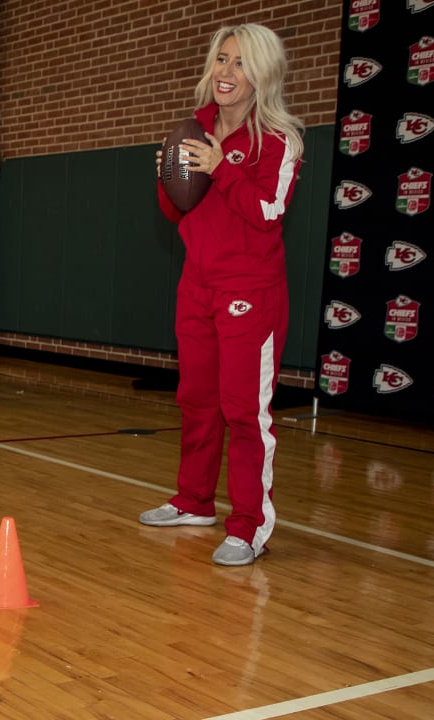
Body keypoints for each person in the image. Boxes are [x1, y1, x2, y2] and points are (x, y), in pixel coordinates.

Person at [138, 23, 303, 567]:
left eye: (239, 63)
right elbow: (176, 212)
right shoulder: (194, 128)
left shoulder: (278, 140)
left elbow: (268, 212)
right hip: (197, 285)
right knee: (196, 401)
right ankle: (193, 501)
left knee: (244, 412)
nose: (226, 73)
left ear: (263, 74)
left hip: (250, 293)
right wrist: (168, 179)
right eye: (221, 60)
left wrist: (221, 168)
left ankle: (249, 525)